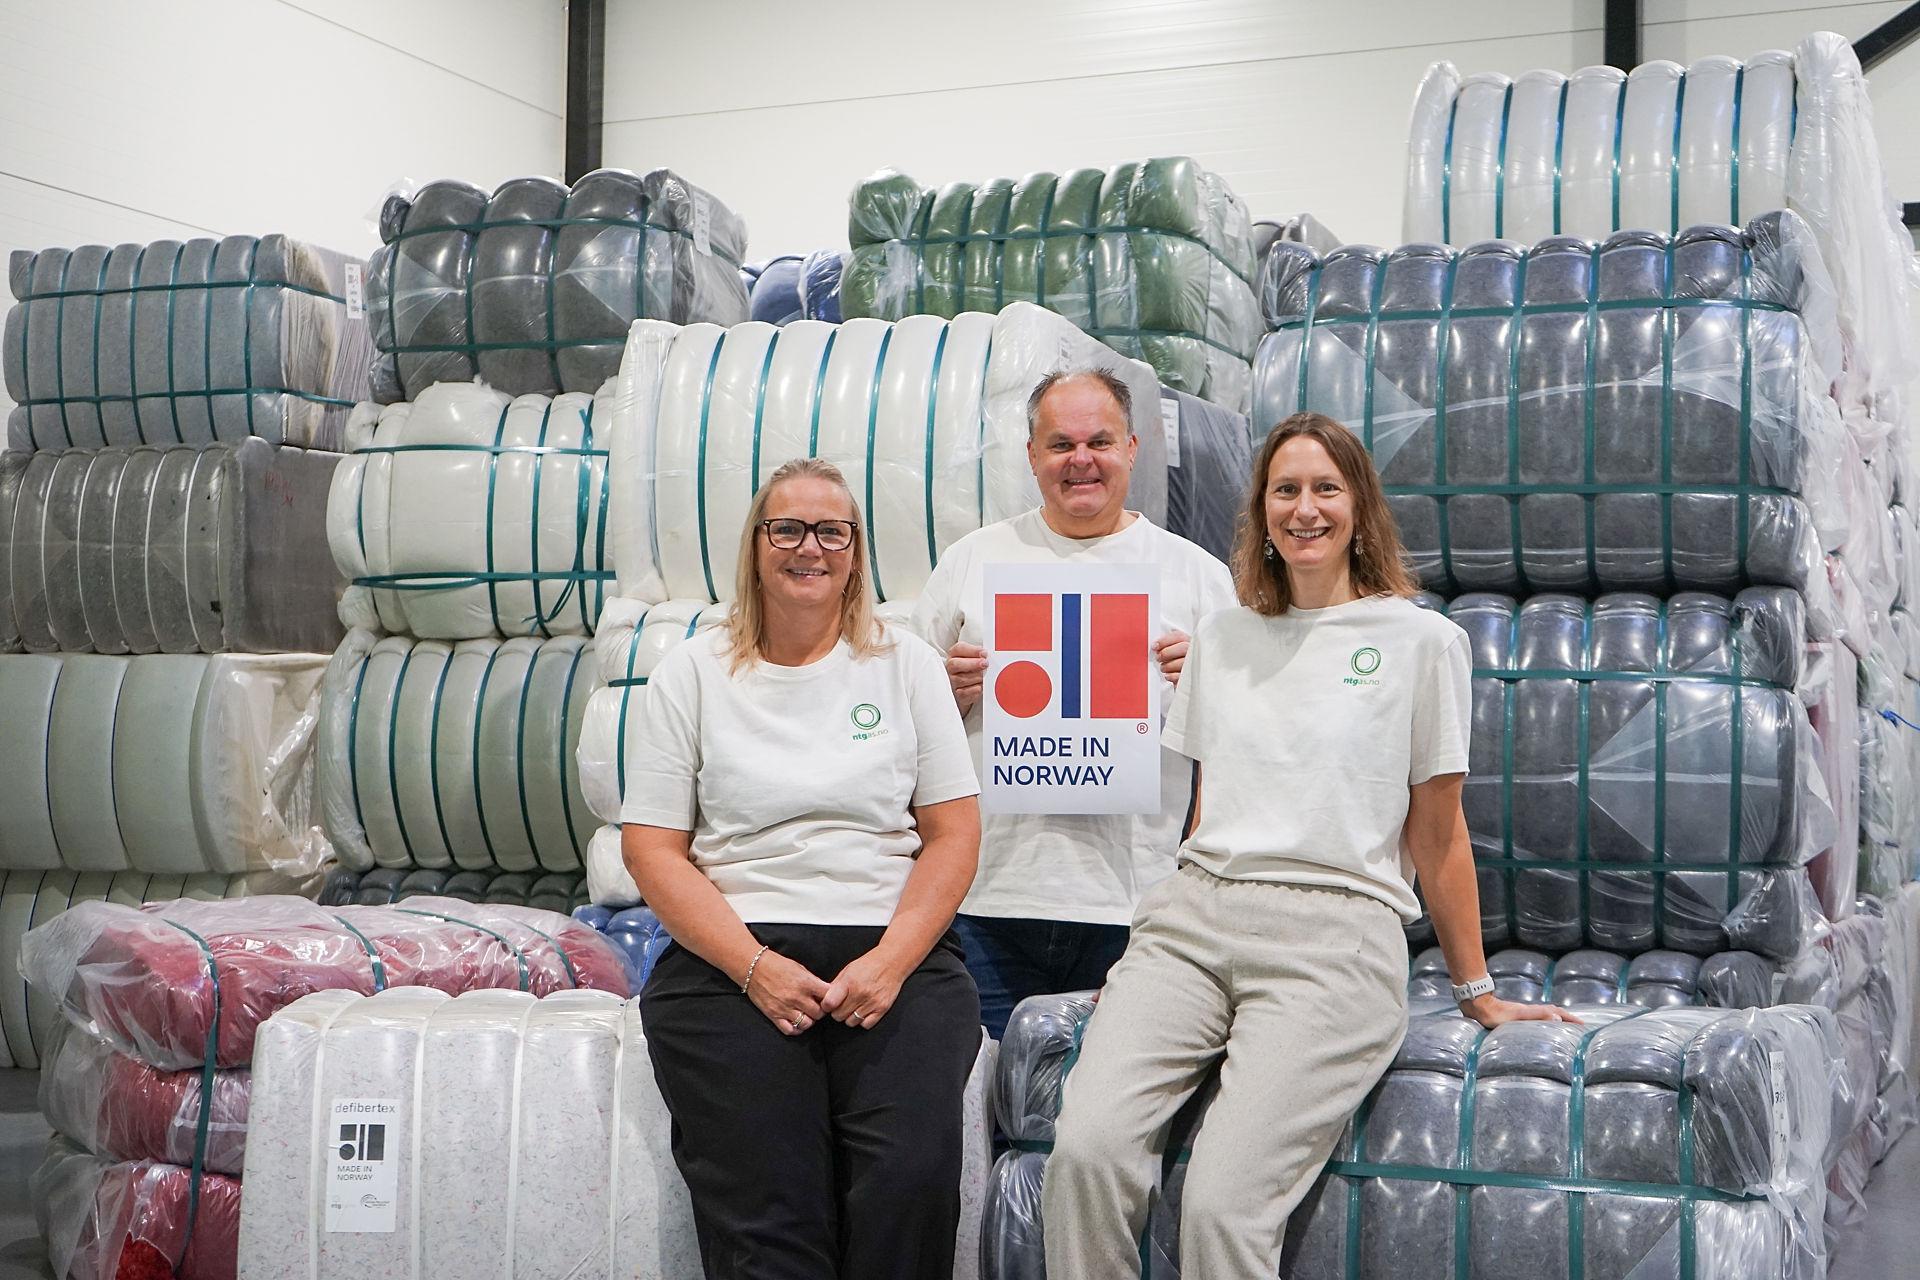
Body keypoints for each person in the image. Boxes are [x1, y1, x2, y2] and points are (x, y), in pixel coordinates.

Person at [1041, 412, 1577, 1277]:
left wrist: (1477, 989)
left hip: (1337, 935)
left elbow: (1438, 836)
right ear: (1262, 509)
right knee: (1086, 1153)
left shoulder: (1423, 644)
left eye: (1326, 489)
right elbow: (1206, 815)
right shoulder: (1224, 636)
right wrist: (1143, 956)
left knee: (1222, 1203)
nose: (1305, 509)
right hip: (1195, 921)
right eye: (1285, 490)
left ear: (1360, 506)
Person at [621, 457, 983, 1280]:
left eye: (832, 531)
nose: (809, 548)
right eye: (787, 528)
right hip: (733, 957)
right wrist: (754, 968)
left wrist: (890, 963)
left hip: (892, 954)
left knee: (908, 1185)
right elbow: (652, 847)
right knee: (771, 1211)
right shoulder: (695, 673)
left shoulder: (907, 665)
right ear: (755, 546)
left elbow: (953, 836)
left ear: (856, 552)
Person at [910, 368, 1236, 1040]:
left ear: (1132, 449)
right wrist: (943, 689)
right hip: (985, 902)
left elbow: (1245, 746)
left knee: (1109, 1122)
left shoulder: (1196, 575)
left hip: (1137, 909)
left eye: (1099, 441)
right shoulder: (972, 561)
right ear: (1032, 456)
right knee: (988, 1111)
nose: (1080, 460)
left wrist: (1210, 688)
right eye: (1060, 445)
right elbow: (895, 719)